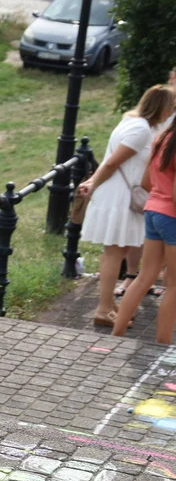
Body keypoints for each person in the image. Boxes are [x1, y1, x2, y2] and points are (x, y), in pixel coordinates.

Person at [78, 84, 175, 328]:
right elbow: (112, 162)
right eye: (170, 108)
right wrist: (93, 182)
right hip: (120, 197)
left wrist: (93, 182)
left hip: (120, 194)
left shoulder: (131, 122)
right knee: (114, 253)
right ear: (161, 108)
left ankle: (109, 304)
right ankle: (103, 308)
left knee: (115, 252)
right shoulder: (140, 130)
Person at [113, 113, 176, 343]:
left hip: (153, 211)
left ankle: (117, 333)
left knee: (144, 277)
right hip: (172, 216)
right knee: (174, 286)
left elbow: (148, 180)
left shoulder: (162, 137)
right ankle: (163, 342)